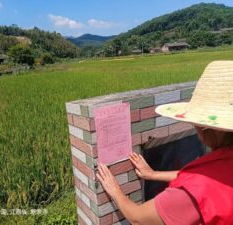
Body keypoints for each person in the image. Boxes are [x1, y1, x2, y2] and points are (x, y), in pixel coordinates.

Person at [96, 61, 233, 225]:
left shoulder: (192, 193)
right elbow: (209, 177)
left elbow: (138, 218)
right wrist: (153, 175)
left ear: (214, 129)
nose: (196, 130)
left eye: (198, 125)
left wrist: (115, 190)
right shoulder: (222, 163)